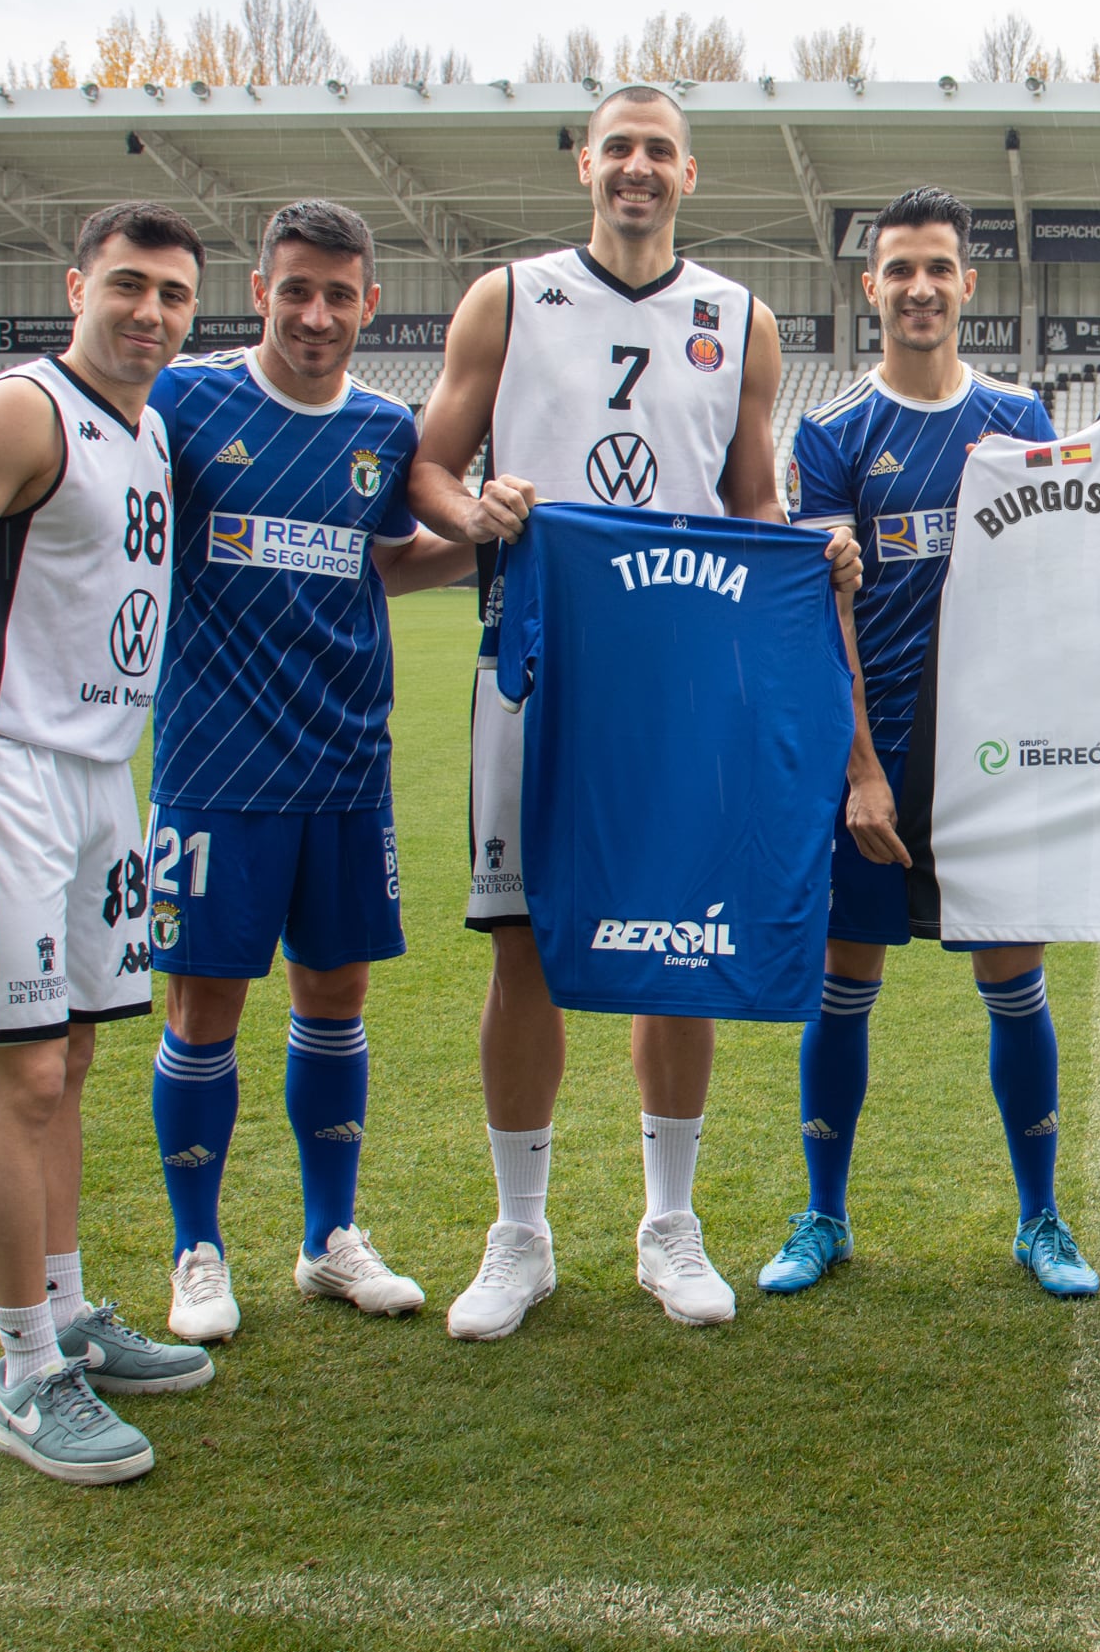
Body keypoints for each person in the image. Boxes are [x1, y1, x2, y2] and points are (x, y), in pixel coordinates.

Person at [407, 84, 859, 1335]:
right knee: (524, 945)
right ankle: (520, 1235)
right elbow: (426, 468)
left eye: (659, 151)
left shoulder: (741, 319)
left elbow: (752, 503)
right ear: (584, 167)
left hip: (684, 679)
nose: (637, 170)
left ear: (689, 175)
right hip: (539, 662)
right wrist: (472, 511)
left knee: (686, 933)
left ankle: (669, 1225)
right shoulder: (508, 296)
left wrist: (807, 557)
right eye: (618, 149)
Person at [0, 201, 212, 1484]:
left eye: (175, 296)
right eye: (128, 285)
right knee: (15, 1077)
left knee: (69, 1059)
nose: (149, 313)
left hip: (97, 778)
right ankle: (22, 1369)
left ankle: (65, 1309)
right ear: (76, 285)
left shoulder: (154, 435)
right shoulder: (17, 410)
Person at [143, 199, 475, 1342]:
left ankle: (328, 1238)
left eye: (339, 294)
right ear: (259, 291)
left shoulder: (385, 429)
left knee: (336, 996)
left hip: (344, 764)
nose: (317, 313)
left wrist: (497, 537)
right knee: (204, 1006)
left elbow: (387, 563)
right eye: (297, 290)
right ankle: (197, 1248)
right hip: (213, 767)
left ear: (370, 303)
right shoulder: (186, 402)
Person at [760, 187, 1097, 1299]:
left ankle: (1040, 1218)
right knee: (840, 983)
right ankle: (823, 1214)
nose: (918, 287)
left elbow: (1059, 587)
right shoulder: (830, 434)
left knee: (1015, 980)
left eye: (937, 268)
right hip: (873, 761)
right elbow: (825, 617)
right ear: (870, 288)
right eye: (897, 269)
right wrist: (857, 768)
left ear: (966, 282)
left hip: (990, 760)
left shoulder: (1020, 420)